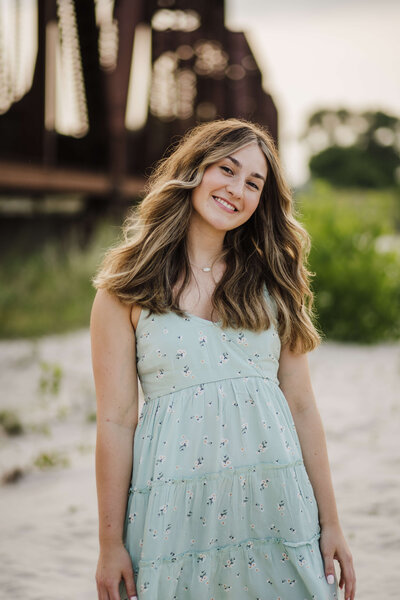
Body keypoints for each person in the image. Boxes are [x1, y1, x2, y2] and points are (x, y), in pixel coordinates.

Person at [90, 118, 356, 600]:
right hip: (174, 509)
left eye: (253, 183)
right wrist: (110, 544)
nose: (237, 189)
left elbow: (301, 407)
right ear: (195, 169)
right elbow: (115, 420)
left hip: (274, 502)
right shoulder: (124, 289)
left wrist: (332, 522)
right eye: (227, 170)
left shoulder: (275, 283)